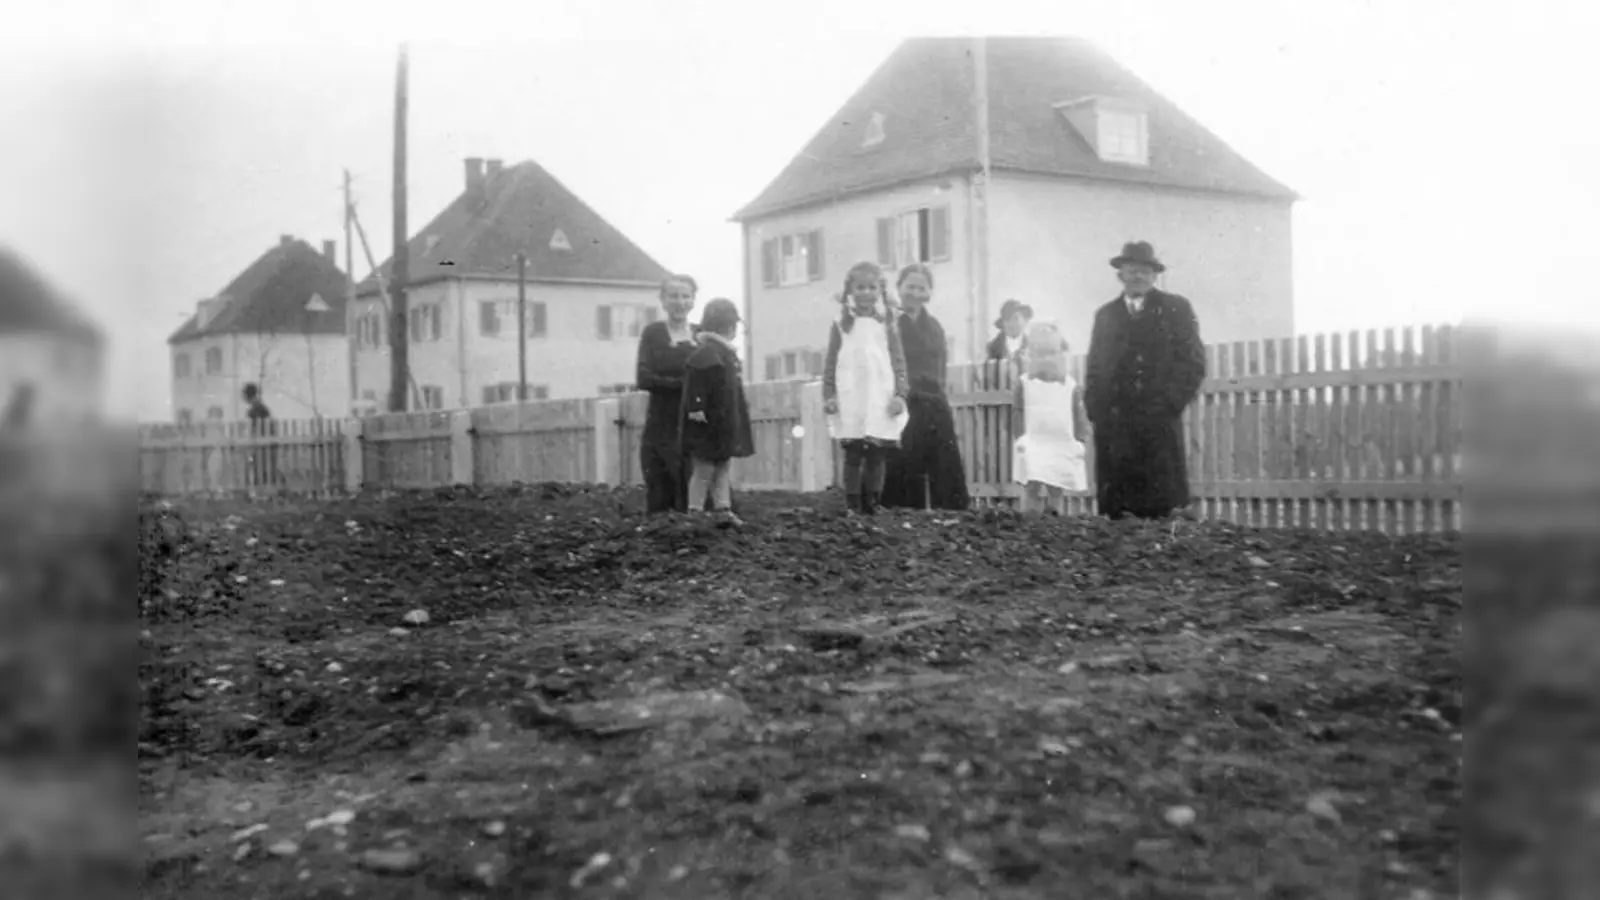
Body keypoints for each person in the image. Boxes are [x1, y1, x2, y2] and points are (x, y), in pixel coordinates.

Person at [1083, 240, 1206, 520]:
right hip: (1115, 423)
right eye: (1131, 270)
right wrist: (1097, 409)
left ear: (1154, 275)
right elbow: (1095, 366)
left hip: (1157, 420)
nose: (1138, 276)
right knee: (1118, 509)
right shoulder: (1105, 316)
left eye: (1145, 270)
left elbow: (1193, 362)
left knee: (1161, 506)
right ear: (1120, 275)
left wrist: (1170, 403)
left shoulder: (1176, 308)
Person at [880, 263, 969, 511]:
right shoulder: (890, 324)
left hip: (934, 400)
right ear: (899, 288)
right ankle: (903, 514)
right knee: (903, 461)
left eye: (921, 288)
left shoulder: (935, 327)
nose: (915, 293)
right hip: (903, 400)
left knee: (944, 461)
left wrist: (938, 394)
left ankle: (951, 515)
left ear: (929, 292)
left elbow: (941, 366)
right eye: (910, 286)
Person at [823, 261, 909, 515]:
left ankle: (872, 502)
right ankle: (852, 503)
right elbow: (830, 362)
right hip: (851, 395)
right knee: (853, 452)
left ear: (880, 291)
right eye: (860, 287)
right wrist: (829, 394)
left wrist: (900, 394)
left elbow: (898, 360)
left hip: (879, 394)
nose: (866, 293)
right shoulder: (841, 323)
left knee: (876, 453)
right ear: (850, 290)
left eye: (872, 287)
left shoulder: (888, 321)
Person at [680, 298, 753, 523]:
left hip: (722, 423)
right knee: (704, 469)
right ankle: (694, 511)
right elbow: (696, 386)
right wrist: (696, 407)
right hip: (708, 425)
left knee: (721, 466)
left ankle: (722, 508)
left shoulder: (723, 354)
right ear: (729, 328)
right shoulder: (708, 354)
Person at [635, 274, 700, 513]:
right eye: (673, 296)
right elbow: (643, 378)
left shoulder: (701, 334)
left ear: (693, 300)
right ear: (662, 300)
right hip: (661, 423)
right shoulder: (653, 333)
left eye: (685, 296)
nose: (679, 302)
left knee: (694, 484)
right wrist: (682, 384)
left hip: (693, 421)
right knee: (661, 489)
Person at [1012, 321, 1090, 509]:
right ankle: (1029, 520)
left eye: (1051, 353)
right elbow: (1017, 412)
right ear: (1032, 354)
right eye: (1041, 353)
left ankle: (1056, 523)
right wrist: (1020, 437)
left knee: (1057, 486)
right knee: (1032, 485)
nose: (1046, 359)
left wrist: (1080, 439)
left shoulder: (1070, 385)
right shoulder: (1024, 384)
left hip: (1060, 442)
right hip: (1034, 441)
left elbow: (1078, 413)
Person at [242, 382, 276, 490]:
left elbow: (255, 428)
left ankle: (263, 490)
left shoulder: (256, 411)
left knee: (261, 469)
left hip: (261, 445)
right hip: (263, 444)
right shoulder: (261, 409)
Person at [986, 299, 1034, 364]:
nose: (1011, 323)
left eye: (1015, 318)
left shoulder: (1033, 349)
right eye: (1007, 319)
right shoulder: (991, 349)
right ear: (1002, 322)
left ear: (1025, 321)